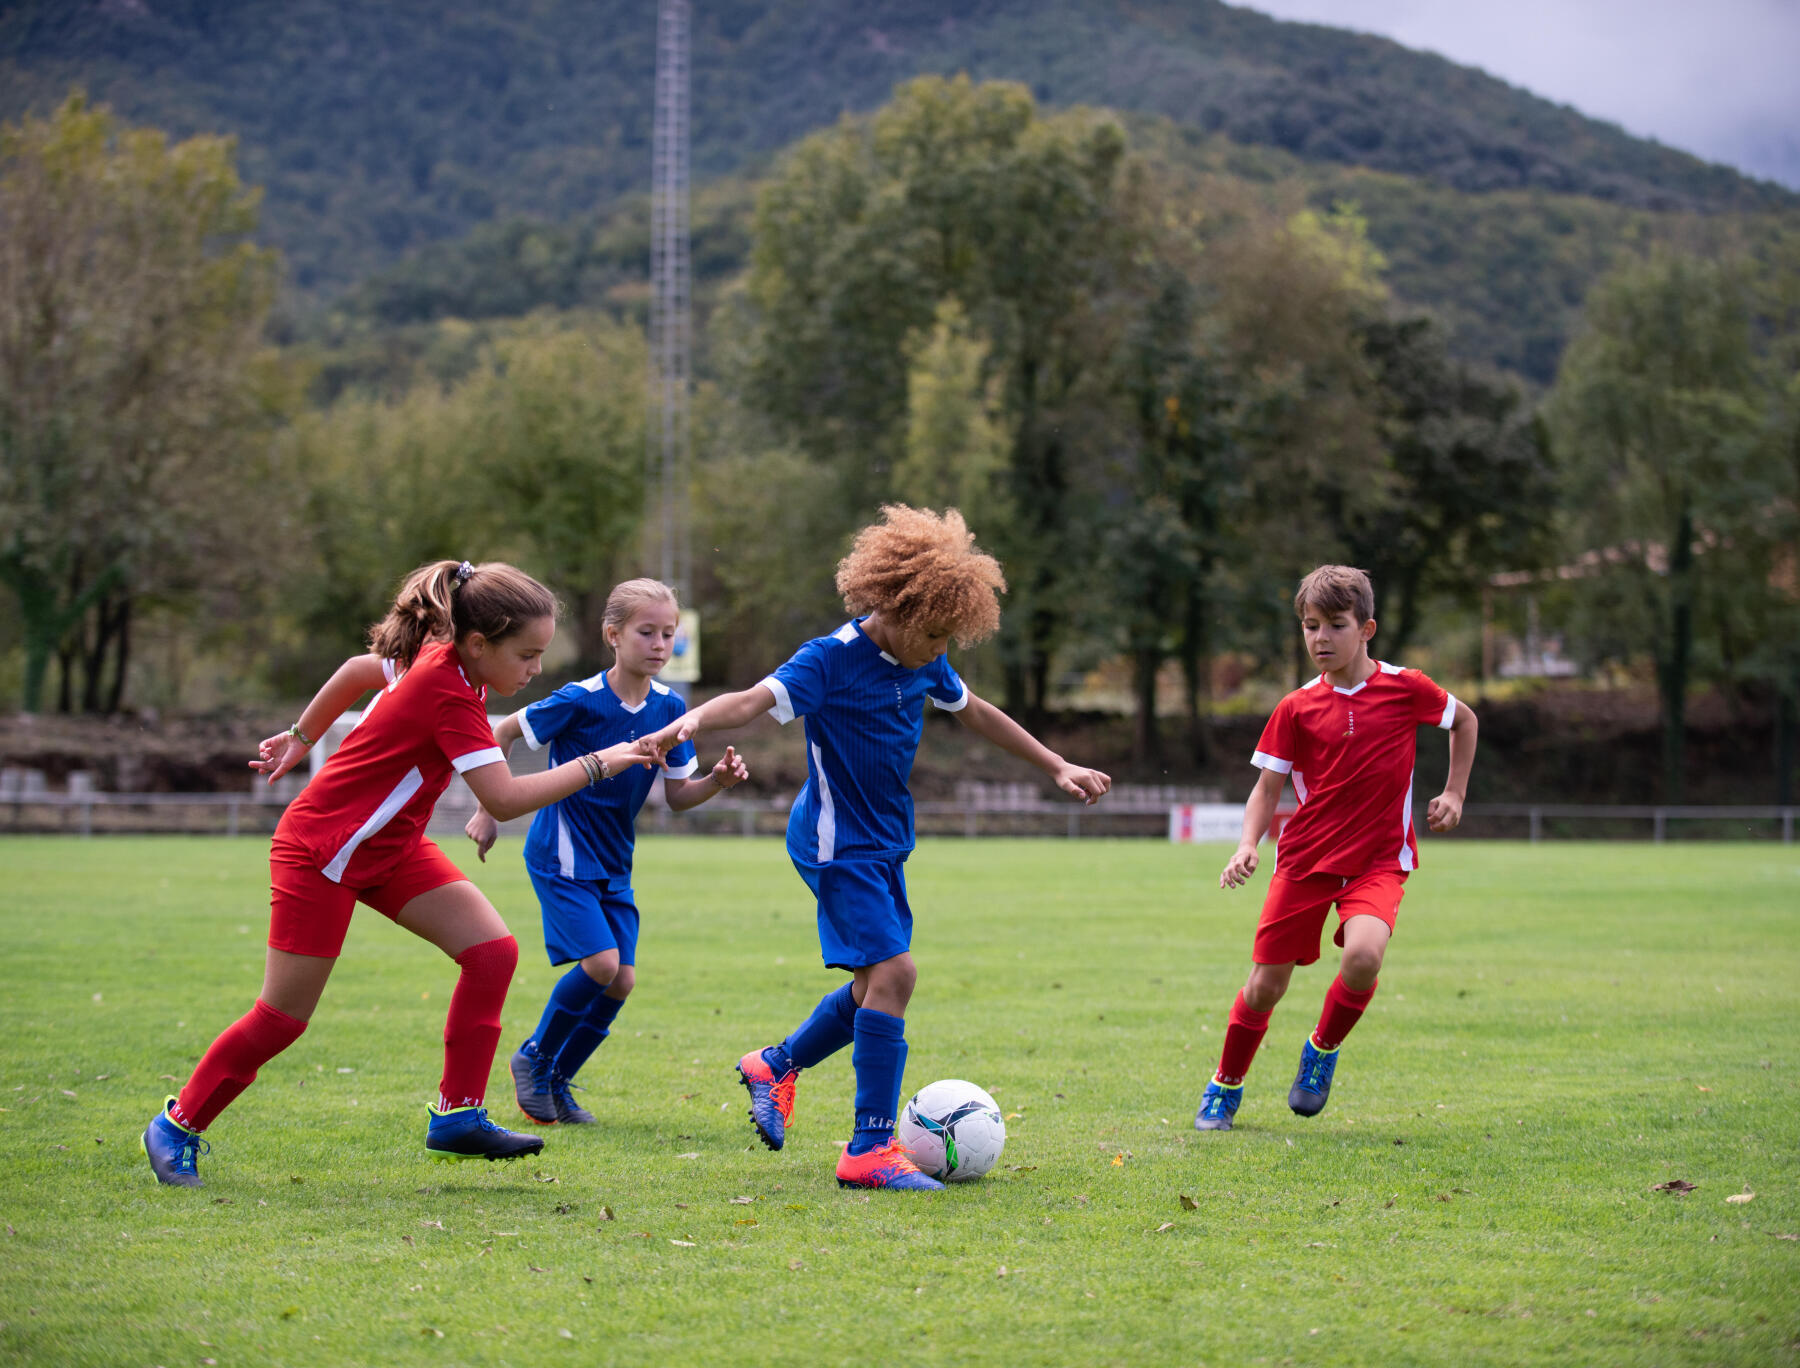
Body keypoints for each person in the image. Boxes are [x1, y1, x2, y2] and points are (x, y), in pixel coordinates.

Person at [140, 560, 658, 1187]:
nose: (536, 669)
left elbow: (361, 670)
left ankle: (458, 1116)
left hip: (390, 848)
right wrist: (601, 762)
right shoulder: (447, 687)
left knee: (492, 952)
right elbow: (504, 800)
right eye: (527, 654)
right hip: (322, 853)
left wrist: (304, 736)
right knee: (282, 1017)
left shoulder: (455, 666)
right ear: (477, 643)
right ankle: (177, 1124)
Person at [644, 506, 1112, 1190]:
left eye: (950, 635)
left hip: (884, 843)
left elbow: (975, 710)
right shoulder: (829, 660)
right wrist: (684, 723)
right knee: (897, 976)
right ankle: (868, 1148)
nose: (939, 648)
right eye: (933, 633)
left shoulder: (928, 657)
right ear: (893, 605)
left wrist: (1055, 764)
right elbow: (748, 701)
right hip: (836, 842)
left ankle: (773, 1065)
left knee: (871, 986)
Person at [1195, 564, 1478, 1132]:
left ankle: (1321, 1052)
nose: (1320, 639)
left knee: (1364, 956)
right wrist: (1247, 844)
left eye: (1335, 625)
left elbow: (1464, 720)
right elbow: (1265, 789)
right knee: (1265, 986)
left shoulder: (1406, 687)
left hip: (1378, 862)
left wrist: (1454, 792)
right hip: (1305, 862)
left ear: (1366, 629)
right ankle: (1224, 1086)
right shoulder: (1295, 708)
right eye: (1310, 625)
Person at [461, 578, 750, 1126]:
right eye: (647, 632)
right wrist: (485, 809)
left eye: (669, 633)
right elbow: (501, 732)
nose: (660, 644)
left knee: (621, 979)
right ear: (612, 635)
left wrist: (716, 780)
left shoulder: (673, 709)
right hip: (561, 852)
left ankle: (557, 1082)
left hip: (614, 860)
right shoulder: (579, 699)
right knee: (600, 963)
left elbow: (678, 798)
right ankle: (534, 1057)